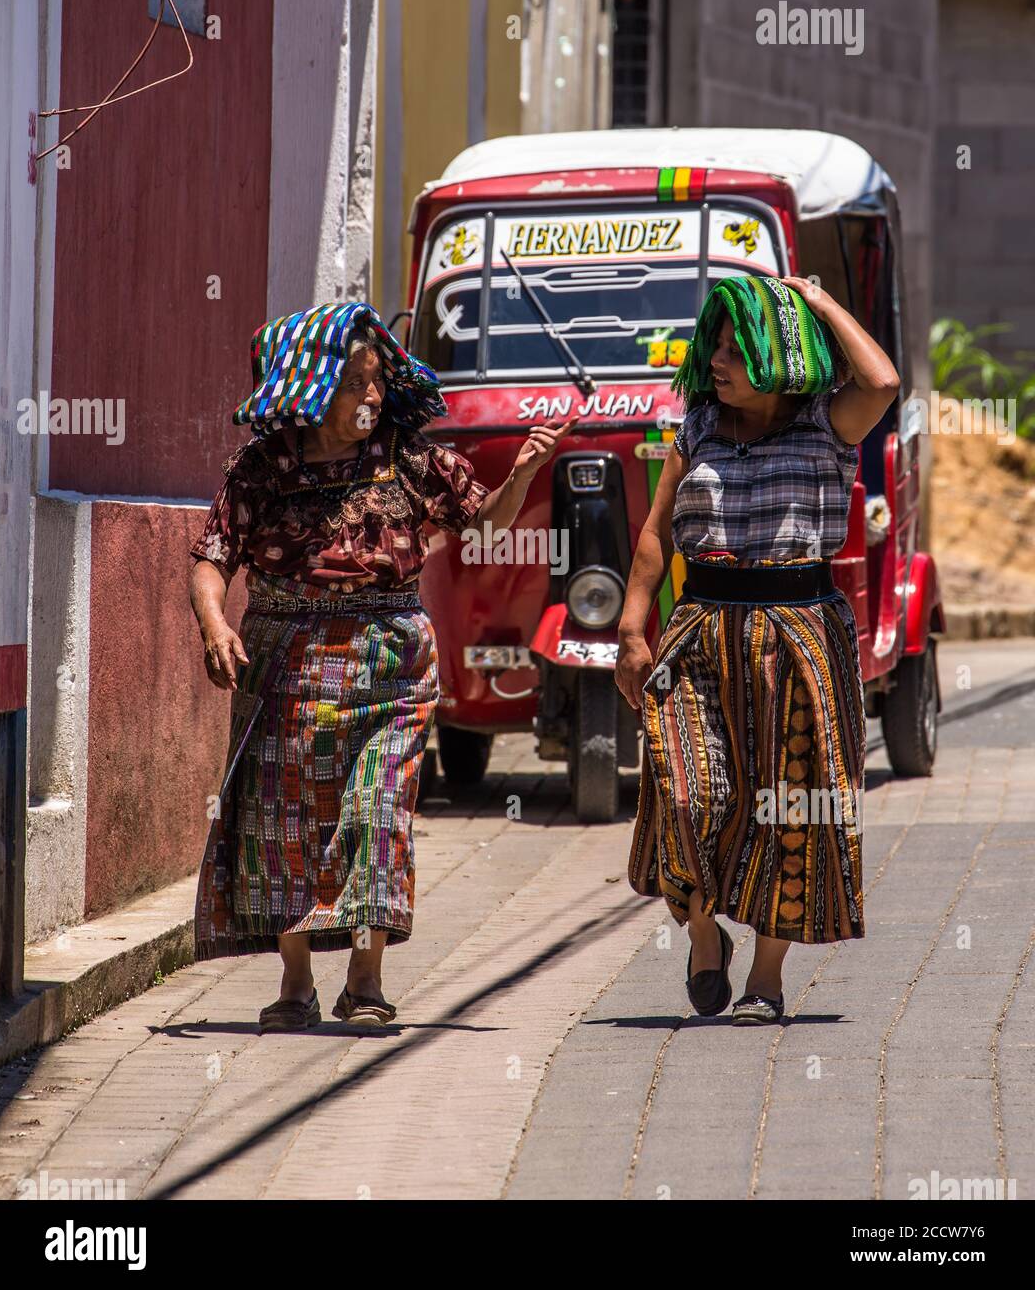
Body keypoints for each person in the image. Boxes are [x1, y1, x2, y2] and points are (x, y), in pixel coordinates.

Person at [189, 301, 573, 1033]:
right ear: (311, 388)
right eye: (354, 385)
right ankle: (295, 983)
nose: (371, 398)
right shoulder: (262, 468)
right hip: (283, 663)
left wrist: (522, 474)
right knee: (285, 819)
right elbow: (213, 558)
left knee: (377, 811)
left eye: (376, 383)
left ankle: (365, 981)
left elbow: (482, 523)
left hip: (389, 664)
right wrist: (213, 625)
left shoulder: (410, 457)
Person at [616, 274, 899, 1024]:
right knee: (687, 792)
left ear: (780, 353)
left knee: (792, 807)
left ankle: (767, 981)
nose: (717, 357)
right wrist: (632, 628)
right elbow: (653, 533)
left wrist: (820, 300)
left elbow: (883, 379)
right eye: (715, 341)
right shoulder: (699, 425)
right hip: (701, 629)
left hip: (799, 634)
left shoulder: (827, 424)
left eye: (738, 346)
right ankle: (704, 931)